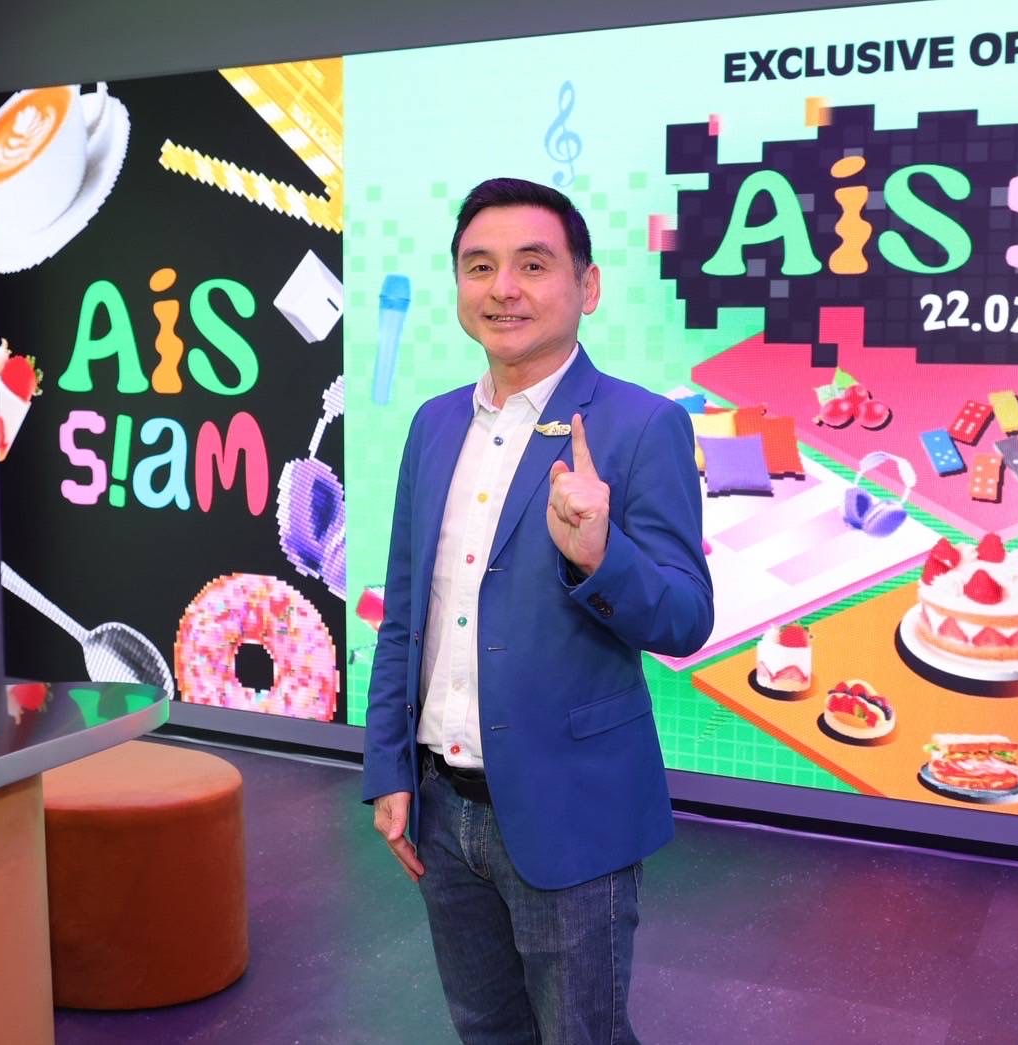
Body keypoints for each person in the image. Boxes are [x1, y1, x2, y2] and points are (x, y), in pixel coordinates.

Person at [361, 177, 714, 1044]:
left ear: (586, 286)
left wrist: (599, 554)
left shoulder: (642, 426)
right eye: (479, 266)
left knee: (581, 1032)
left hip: (573, 808)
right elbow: (406, 612)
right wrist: (389, 769)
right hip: (442, 805)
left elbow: (684, 618)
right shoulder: (433, 425)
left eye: (532, 264)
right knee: (485, 1027)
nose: (503, 288)